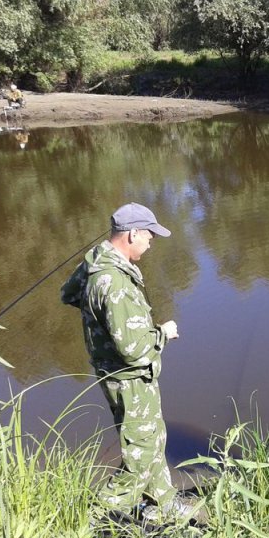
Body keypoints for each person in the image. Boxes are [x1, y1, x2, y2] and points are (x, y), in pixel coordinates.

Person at [61, 202, 190, 521]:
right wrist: (163, 333)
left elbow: (69, 293)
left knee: (151, 437)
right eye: (149, 237)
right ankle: (92, 518)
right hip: (129, 377)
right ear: (132, 234)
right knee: (140, 453)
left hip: (116, 374)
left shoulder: (97, 263)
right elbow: (135, 349)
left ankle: (163, 503)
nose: (150, 244)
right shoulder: (116, 283)